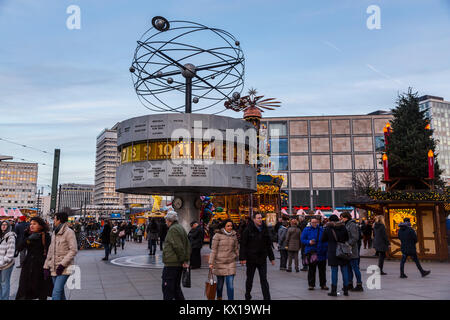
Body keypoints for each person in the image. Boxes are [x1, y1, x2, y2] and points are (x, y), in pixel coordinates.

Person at [239, 213, 275, 300]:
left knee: (264, 279)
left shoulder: (265, 229)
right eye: (258, 218)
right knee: (250, 279)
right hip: (251, 259)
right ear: (254, 219)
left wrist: (271, 258)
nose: (260, 220)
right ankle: (247, 294)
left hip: (262, 259)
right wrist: (242, 258)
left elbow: (268, 245)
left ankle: (267, 297)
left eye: (261, 218)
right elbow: (243, 245)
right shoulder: (248, 230)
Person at [15, 217, 53, 300]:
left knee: (41, 289)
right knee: (24, 289)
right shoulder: (29, 235)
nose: (31, 226)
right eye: (31, 224)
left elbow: (50, 252)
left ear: (41, 226)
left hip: (40, 266)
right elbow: (20, 247)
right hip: (28, 266)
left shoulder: (45, 236)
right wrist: (27, 238)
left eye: (34, 224)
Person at [43, 212, 78, 300]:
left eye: (54, 219)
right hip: (54, 267)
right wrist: (46, 266)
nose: (53, 221)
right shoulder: (55, 232)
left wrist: (62, 265)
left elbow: (73, 250)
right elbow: (50, 250)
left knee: (56, 292)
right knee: (60, 292)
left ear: (59, 220)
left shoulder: (69, 232)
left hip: (65, 267)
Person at [162, 211, 190, 300]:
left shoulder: (173, 229)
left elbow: (178, 246)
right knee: (176, 289)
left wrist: (183, 260)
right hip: (177, 263)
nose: (165, 221)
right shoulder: (180, 227)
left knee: (168, 289)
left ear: (169, 220)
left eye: (166, 219)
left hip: (172, 263)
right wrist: (185, 260)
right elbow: (187, 244)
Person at [209, 219, 239, 300]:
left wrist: (240, 257)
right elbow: (213, 250)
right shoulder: (217, 235)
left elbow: (236, 248)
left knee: (230, 285)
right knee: (220, 285)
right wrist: (211, 262)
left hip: (230, 263)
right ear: (224, 227)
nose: (230, 227)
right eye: (228, 226)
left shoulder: (234, 235)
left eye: (231, 226)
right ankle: (219, 298)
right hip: (219, 263)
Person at [321, 214, 350, 297]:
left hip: (332, 251)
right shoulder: (343, 227)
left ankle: (334, 290)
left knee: (334, 271)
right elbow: (347, 238)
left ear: (330, 220)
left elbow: (323, 239)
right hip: (342, 251)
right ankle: (346, 290)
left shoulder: (328, 228)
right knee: (344, 270)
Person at [301, 218, 328, 290]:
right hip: (312, 252)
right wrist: (309, 242)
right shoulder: (306, 230)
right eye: (312, 222)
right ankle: (311, 285)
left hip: (321, 253)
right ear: (310, 223)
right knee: (312, 270)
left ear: (318, 222)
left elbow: (326, 240)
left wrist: (325, 248)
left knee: (322, 270)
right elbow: (302, 239)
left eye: (315, 222)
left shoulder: (322, 230)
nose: (314, 223)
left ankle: (323, 284)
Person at [340, 211, 363, 292]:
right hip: (347, 250)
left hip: (352, 250)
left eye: (341, 217)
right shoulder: (346, 224)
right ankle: (350, 283)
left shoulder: (352, 224)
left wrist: (348, 244)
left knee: (355, 267)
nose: (341, 219)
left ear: (345, 217)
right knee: (349, 268)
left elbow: (355, 237)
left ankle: (359, 284)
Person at [0, 221, 16, 300]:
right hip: (0, 264)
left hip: (7, 265)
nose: (3, 226)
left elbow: (10, 254)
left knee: (4, 283)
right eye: (2, 225)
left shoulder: (10, 237)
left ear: (9, 226)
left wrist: (1, 262)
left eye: (5, 225)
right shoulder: (1, 236)